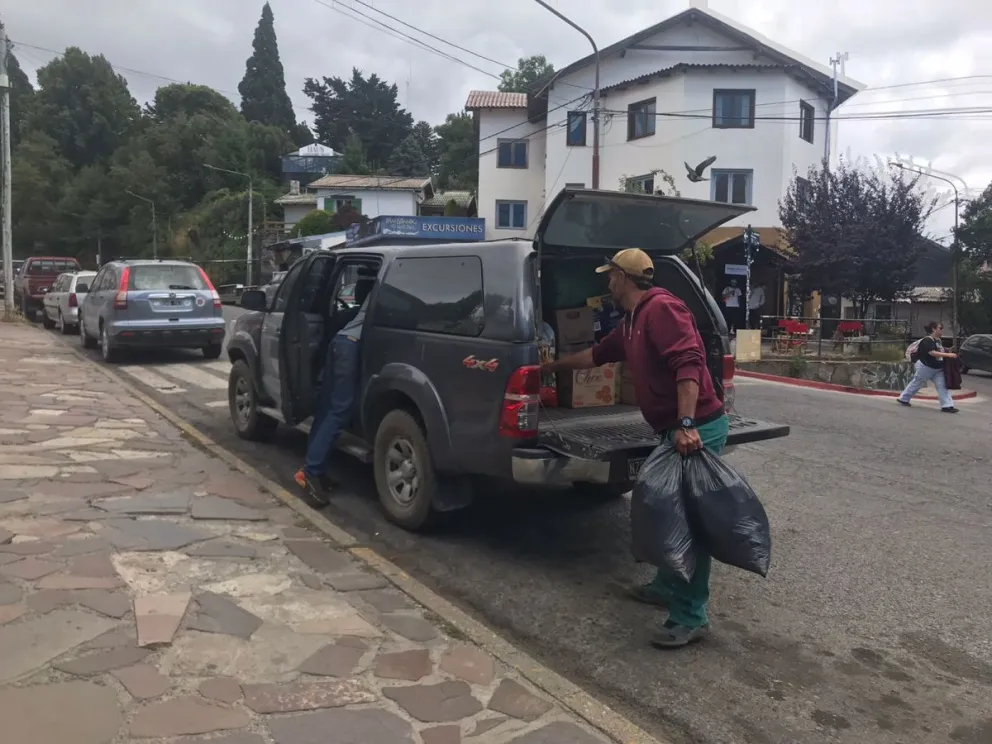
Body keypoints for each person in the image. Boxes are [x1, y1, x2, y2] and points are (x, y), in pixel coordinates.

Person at [541, 248, 729, 649]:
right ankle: (666, 585)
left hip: (697, 429)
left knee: (687, 524)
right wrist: (550, 368)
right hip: (672, 430)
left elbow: (689, 364)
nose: (607, 283)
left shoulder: (662, 309)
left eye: (610, 276)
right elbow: (596, 356)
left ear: (623, 278)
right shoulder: (631, 322)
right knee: (662, 511)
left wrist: (685, 424)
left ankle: (690, 616)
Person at [294, 277, 376, 503]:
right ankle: (310, 472)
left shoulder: (381, 290)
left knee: (327, 408)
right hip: (350, 346)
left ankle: (316, 469)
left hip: (340, 342)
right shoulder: (393, 289)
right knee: (340, 410)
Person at [897, 321, 959, 413]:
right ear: (933, 329)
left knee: (942, 386)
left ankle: (947, 405)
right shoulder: (927, 340)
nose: (941, 331)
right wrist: (948, 355)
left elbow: (939, 351)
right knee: (917, 383)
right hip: (926, 367)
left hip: (938, 368)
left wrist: (947, 351)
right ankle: (904, 398)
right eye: (940, 328)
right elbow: (931, 352)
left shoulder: (938, 340)